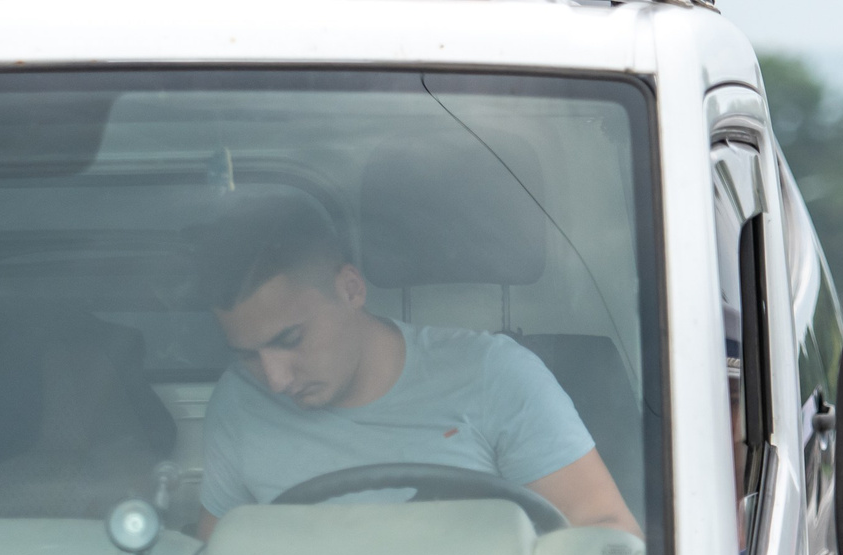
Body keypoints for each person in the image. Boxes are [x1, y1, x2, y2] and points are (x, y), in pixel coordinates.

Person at [194, 198, 638, 536]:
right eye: (248, 355)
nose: (274, 379)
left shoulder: (494, 376)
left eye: (290, 340)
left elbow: (607, 537)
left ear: (351, 290)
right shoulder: (238, 402)